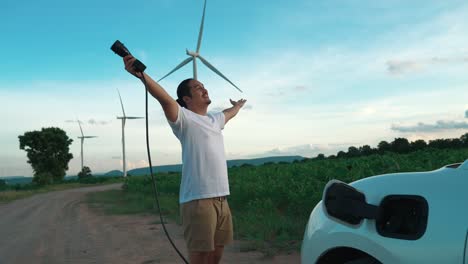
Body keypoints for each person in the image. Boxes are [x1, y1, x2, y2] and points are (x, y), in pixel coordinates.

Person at [123, 55, 247, 264]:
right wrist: (142, 76)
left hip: (222, 200)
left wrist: (238, 106)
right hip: (198, 201)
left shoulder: (214, 120)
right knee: (200, 256)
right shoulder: (183, 119)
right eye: (198, 87)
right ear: (187, 99)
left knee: (216, 256)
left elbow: (229, 113)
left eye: (203, 86)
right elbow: (164, 98)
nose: (204, 89)